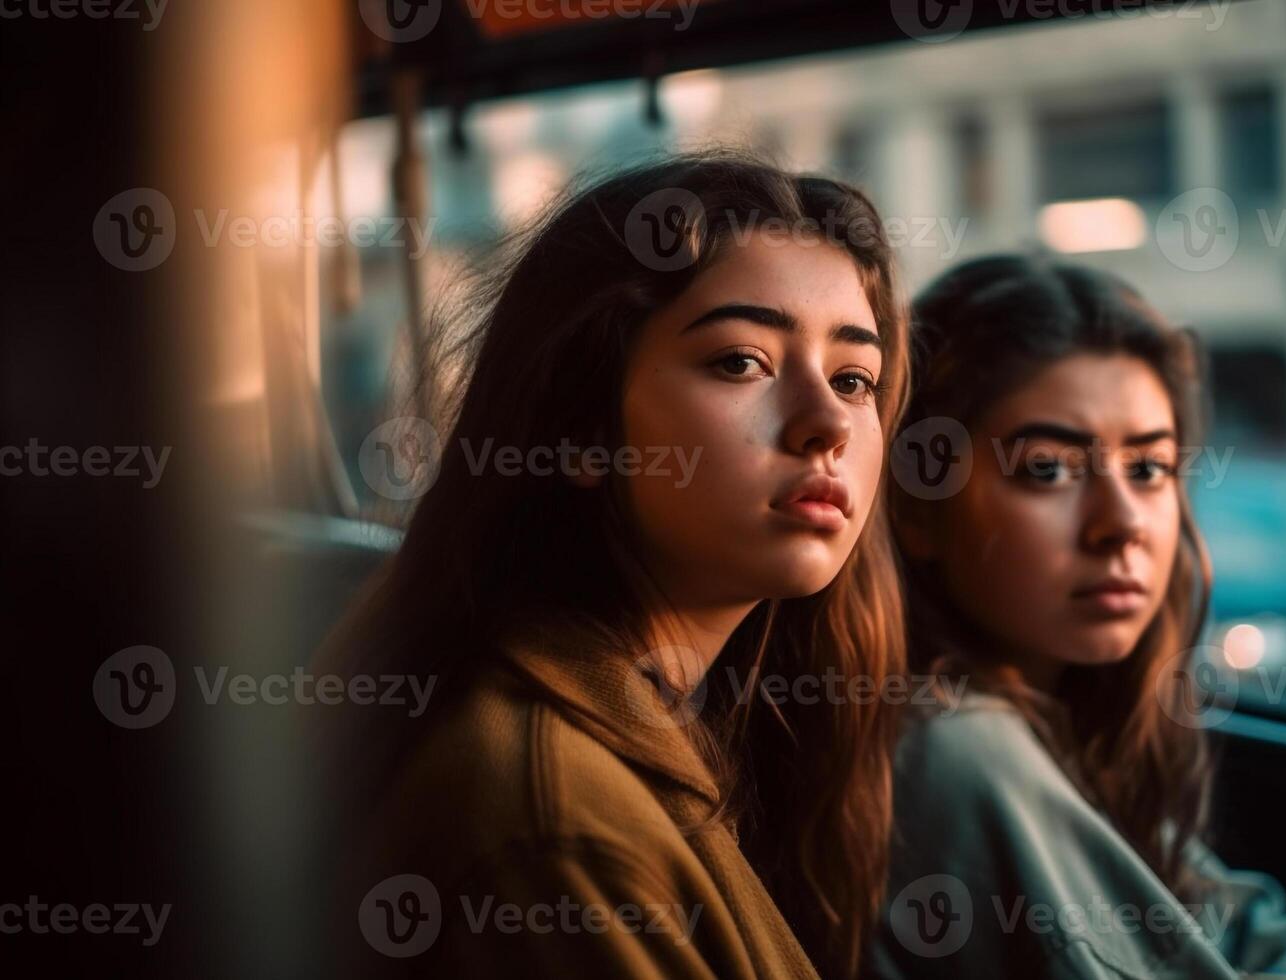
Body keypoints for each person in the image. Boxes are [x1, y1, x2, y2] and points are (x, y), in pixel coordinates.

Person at [319, 152, 910, 979]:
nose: (828, 423)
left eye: (855, 378)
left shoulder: (680, 731)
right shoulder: (551, 824)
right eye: (741, 361)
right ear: (580, 429)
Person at [870, 255, 1286, 980]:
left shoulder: (1065, 719)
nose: (1121, 525)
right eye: (1047, 469)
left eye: (1148, 469)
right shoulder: (951, 746)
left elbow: (1251, 930)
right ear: (915, 506)